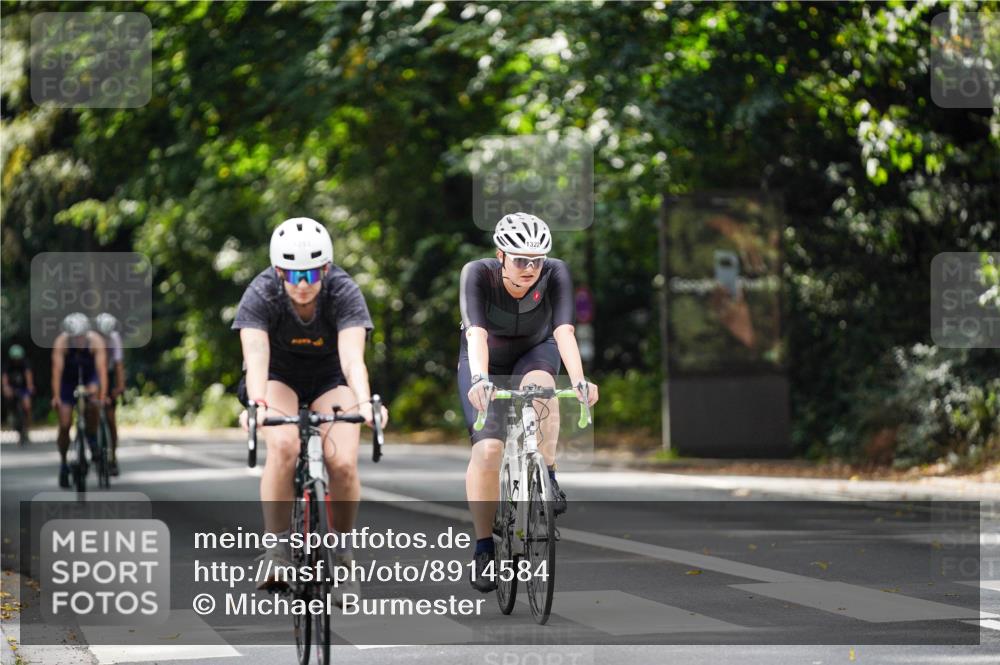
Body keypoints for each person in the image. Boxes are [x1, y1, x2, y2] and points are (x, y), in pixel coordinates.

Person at [233, 217, 387, 596]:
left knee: (343, 463)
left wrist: (365, 403)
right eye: (293, 274)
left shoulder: (343, 291)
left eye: (312, 274)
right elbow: (256, 356)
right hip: (278, 376)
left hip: (330, 377)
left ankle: (343, 555)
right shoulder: (261, 292)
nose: (302, 283)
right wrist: (257, 405)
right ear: (278, 271)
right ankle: (276, 551)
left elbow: (352, 359)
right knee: (285, 447)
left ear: (326, 269)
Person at [458, 212, 599, 592]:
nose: (530, 268)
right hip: (486, 359)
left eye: (537, 260)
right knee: (488, 450)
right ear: (500, 255)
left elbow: (565, 331)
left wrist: (580, 380)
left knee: (543, 391)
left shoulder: (555, 272)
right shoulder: (477, 274)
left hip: (536, 351)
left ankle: (547, 473)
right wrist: (480, 380)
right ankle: (484, 547)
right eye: (520, 260)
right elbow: (476, 335)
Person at [51, 313, 107, 488]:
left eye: (81, 336)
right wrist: (56, 397)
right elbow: (57, 372)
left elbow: (102, 371)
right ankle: (63, 462)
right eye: (75, 337)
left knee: (94, 403)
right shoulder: (61, 343)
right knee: (65, 424)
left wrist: (102, 396)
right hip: (68, 382)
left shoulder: (96, 341)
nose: (78, 340)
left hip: (89, 378)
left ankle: (92, 438)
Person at [94, 313, 126, 476]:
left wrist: (120, 387)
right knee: (91, 412)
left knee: (111, 419)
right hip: (94, 375)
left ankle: (113, 456)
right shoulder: (91, 340)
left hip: (109, 374)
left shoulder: (114, 339)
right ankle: (92, 445)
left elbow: (119, 365)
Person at [2, 344, 35, 443]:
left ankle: (27, 428)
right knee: (9, 399)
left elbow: (28, 375)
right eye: (14, 358)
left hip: (23, 388)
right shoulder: (7, 365)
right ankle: (11, 415)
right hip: (12, 388)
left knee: (27, 406)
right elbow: (4, 377)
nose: (16, 360)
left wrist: (30, 387)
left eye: (18, 358)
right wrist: (5, 387)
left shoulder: (25, 363)